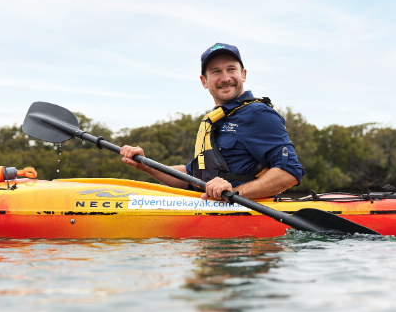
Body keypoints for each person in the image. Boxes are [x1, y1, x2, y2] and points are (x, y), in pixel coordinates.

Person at [120, 43, 305, 200]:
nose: (225, 78)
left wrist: (234, 192)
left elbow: (289, 172)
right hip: (213, 224)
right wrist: (146, 165)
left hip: (250, 233)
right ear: (204, 81)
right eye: (216, 72)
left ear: (244, 75)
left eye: (231, 69)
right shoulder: (215, 120)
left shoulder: (258, 114)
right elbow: (192, 176)